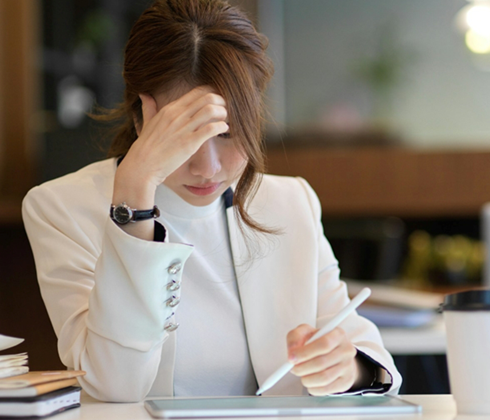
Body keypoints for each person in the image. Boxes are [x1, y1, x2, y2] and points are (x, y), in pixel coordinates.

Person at [22, 0, 402, 402]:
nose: (208, 167)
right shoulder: (61, 208)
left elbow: (371, 358)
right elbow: (114, 386)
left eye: (227, 133)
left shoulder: (291, 201)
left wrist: (349, 368)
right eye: (185, 135)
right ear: (140, 118)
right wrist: (133, 197)